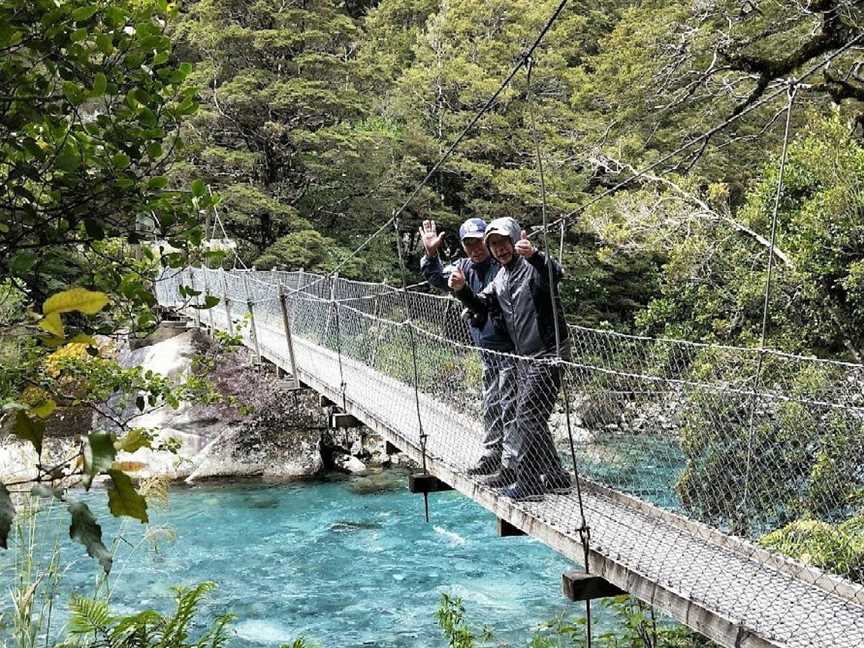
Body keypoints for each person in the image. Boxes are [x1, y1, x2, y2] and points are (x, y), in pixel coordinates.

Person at [448, 216, 571, 501]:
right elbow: (481, 304)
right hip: (526, 356)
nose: (500, 249)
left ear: (516, 241)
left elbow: (556, 273)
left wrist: (537, 256)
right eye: (494, 245)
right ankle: (555, 476)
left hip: (550, 353)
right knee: (531, 415)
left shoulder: (532, 268)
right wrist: (462, 290)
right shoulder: (501, 278)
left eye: (504, 243)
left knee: (526, 415)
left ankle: (529, 485)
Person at [419, 218, 516, 476]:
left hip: (512, 347)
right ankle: (493, 455)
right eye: (469, 243)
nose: (476, 248)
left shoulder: (502, 264)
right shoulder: (462, 267)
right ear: (464, 246)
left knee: (511, 405)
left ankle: (512, 463)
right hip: (486, 350)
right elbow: (437, 278)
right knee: (491, 403)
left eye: (479, 242)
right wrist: (431, 253)